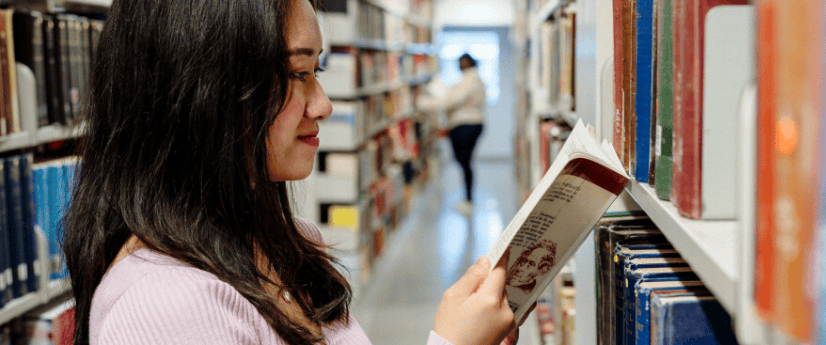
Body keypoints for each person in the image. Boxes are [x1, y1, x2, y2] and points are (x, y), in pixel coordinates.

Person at [60, 1, 517, 344]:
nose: (323, 104)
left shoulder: (284, 241)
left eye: (315, 69)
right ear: (205, 90)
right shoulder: (165, 306)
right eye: (298, 72)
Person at [418, 53, 486, 215]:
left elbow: (451, 101)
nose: (460, 65)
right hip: (464, 124)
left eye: (463, 62)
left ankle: (469, 200)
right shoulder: (468, 79)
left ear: (470, 63)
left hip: (466, 124)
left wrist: (425, 103)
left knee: (465, 161)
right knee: (464, 162)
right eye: (459, 62)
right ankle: (467, 199)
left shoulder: (470, 79)